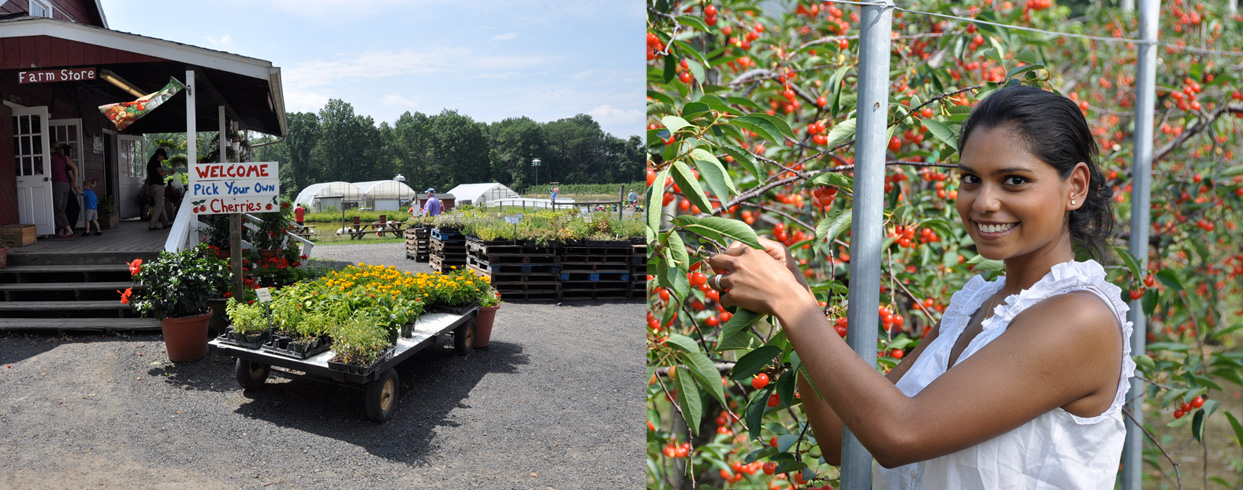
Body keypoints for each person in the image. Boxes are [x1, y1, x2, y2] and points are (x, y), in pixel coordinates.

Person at [707, 86, 1129, 489]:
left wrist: (791, 302)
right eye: (970, 179)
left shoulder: (1079, 318)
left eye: (1013, 180)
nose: (983, 202)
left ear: (1074, 187)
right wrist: (791, 292)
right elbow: (842, 437)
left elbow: (900, 434)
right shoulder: (977, 307)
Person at [49, 143, 80, 238]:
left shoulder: (51, 156)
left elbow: (41, 167)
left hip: (58, 183)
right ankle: (61, 231)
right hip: (66, 184)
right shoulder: (63, 157)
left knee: (58, 208)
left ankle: (69, 230)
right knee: (62, 209)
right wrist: (75, 182)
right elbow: (75, 167)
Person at [146, 148, 173, 230]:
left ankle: (165, 223)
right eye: (163, 157)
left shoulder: (150, 163)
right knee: (158, 206)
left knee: (161, 205)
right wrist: (170, 172)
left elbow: (149, 177)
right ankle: (152, 225)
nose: (162, 159)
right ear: (160, 155)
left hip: (152, 186)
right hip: (158, 186)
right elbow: (161, 173)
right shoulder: (156, 163)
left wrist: (148, 188)